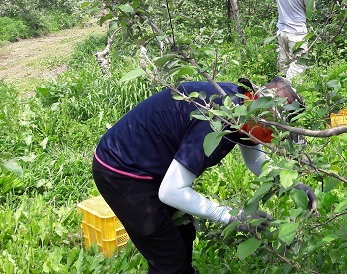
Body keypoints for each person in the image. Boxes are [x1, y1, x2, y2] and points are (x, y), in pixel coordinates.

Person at [91, 77, 312, 274]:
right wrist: (232, 217)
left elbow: (255, 161)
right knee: (168, 257)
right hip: (122, 170)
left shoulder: (239, 108)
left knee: (183, 233)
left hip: (152, 164)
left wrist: (292, 184)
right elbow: (172, 191)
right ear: (258, 105)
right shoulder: (216, 119)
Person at [273, 0, 312, 81]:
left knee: (284, 66)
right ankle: (291, 93)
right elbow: (310, 11)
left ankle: (280, 94)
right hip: (297, 34)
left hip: (282, 31)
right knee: (298, 69)